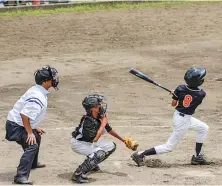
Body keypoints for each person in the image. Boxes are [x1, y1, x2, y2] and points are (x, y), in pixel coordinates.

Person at [131, 67, 209, 167]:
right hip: (183, 121)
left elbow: (174, 104)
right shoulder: (201, 94)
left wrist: (176, 95)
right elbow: (190, 96)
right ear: (199, 82)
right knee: (169, 147)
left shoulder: (180, 88)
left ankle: (197, 157)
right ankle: (140, 154)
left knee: (203, 128)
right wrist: (178, 95)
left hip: (180, 116)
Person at [5, 65, 59, 185]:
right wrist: (30, 132)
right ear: (45, 81)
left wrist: (34, 128)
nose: (54, 79)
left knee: (37, 136)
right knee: (32, 144)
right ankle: (21, 177)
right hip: (15, 126)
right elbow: (24, 115)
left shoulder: (38, 90)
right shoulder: (37, 96)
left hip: (17, 123)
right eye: (52, 78)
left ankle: (33, 163)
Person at [71, 94, 138, 183]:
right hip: (79, 144)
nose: (101, 106)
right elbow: (94, 139)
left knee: (111, 146)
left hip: (88, 143)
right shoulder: (88, 121)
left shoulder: (99, 116)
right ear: (92, 108)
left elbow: (109, 130)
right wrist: (103, 124)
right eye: (98, 105)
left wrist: (124, 141)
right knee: (100, 153)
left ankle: (91, 164)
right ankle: (78, 174)